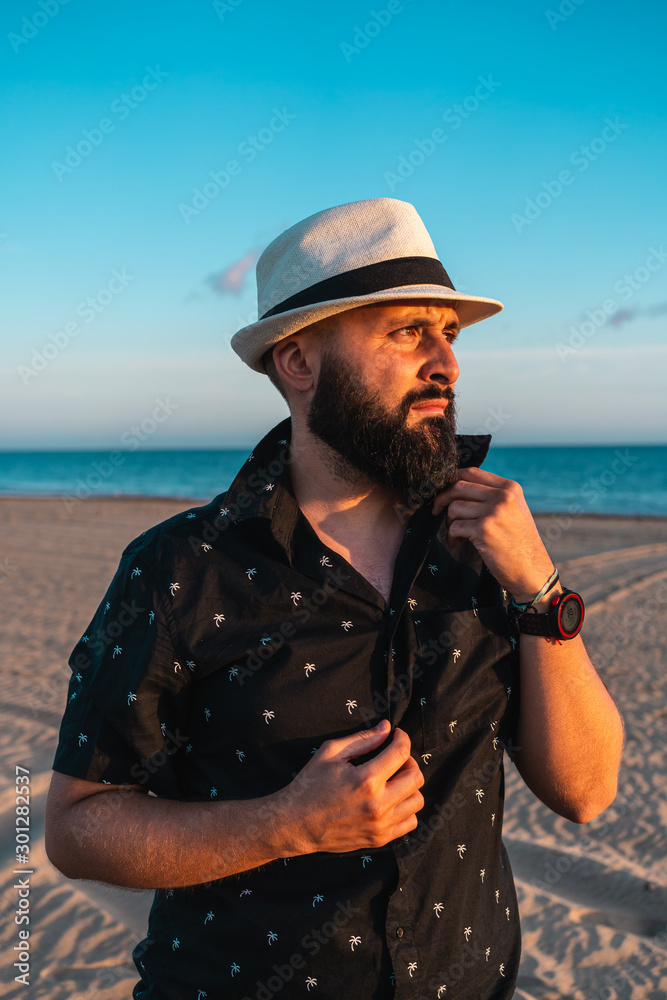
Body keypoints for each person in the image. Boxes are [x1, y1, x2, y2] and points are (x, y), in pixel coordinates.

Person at [45, 197, 624, 1000]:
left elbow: (586, 793)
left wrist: (539, 589)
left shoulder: (486, 549)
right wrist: (286, 825)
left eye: (448, 333)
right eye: (405, 331)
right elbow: (76, 829)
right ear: (298, 362)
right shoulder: (180, 568)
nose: (446, 363)